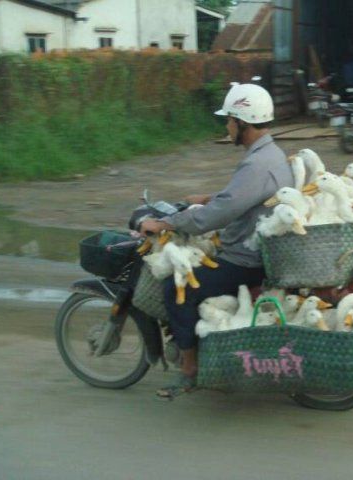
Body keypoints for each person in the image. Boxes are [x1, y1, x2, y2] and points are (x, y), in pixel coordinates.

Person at [139, 83, 294, 398]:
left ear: (242, 123)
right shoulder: (272, 155)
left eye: (229, 121)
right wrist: (208, 198)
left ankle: (190, 370)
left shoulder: (256, 164)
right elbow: (240, 198)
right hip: (256, 248)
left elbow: (215, 216)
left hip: (245, 260)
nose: (227, 127)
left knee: (176, 290)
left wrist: (165, 223)